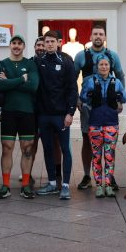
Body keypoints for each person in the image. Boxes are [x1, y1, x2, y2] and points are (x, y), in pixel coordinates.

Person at [72, 23, 124, 190]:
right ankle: (87, 176)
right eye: (95, 34)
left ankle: (110, 177)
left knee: (110, 142)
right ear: (91, 37)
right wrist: (76, 99)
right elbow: (71, 79)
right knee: (88, 140)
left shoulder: (112, 56)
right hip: (89, 106)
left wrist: (119, 100)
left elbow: (120, 76)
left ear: (105, 37)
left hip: (108, 106)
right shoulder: (81, 56)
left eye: (101, 34)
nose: (98, 37)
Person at [0, 34, 39, 199]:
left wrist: (10, 82)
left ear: (24, 46)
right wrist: (21, 79)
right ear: (10, 45)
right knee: (7, 148)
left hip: (27, 112)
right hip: (8, 112)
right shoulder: (1, 64)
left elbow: (33, 86)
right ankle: (5, 185)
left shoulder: (31, 64)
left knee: (27, 149)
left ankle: (25, 185)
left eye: (20, 43)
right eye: (14, 43)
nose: (17, 46)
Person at [34, 32, 78, 200]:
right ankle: (52, 183)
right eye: (47, 42)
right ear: (43, 44)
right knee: (47, 149)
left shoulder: (66, 61)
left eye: (53, 41)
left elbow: (72, 89)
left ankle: (65, 185)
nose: (50, 44)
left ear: (59, 43)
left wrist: (70, 112)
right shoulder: (38, 62)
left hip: (61, 115)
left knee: (65, 149)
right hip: (44, 115)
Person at [80, 55, 126, 198]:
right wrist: (89, 94)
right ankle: (99, 186)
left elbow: (125, 98)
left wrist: (118, 95)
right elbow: (82, 97)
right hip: (95, 123)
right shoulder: (90, 81)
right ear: (96, 66)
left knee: (109, 155)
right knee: (96, 156)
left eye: (106, 64)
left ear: (110, 66)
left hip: (111, 123)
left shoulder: (116, 81)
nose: (104, 67)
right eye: (101, 64)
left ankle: (108, 185)